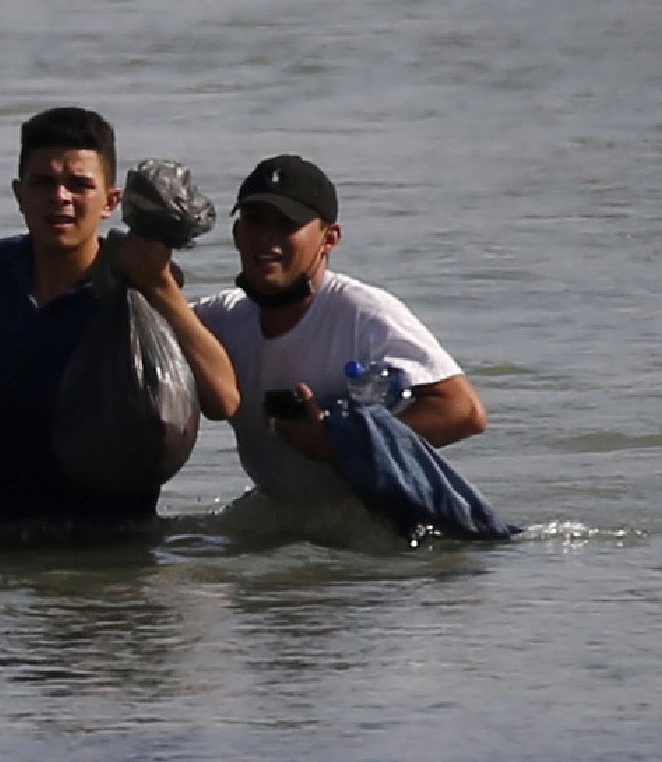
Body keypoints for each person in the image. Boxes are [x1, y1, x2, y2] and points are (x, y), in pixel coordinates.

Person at [0, 106, 243, 528]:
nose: (60, 197)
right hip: (5, 535)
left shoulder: (134, 285)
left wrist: (161, 288)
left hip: (110, 543)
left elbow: (224, 399)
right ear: (19, 193)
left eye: (79, 184)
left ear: (110, 201)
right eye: (43, 182)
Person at [195, 152, 487, 520]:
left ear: (329, 239)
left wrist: (336, 441)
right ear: (237, 233)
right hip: (280, 519)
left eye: (287, 223)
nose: (267, 237)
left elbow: (465, 411)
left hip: (379, 533)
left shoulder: (363, 313)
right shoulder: (220, 317)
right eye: (255, 220)